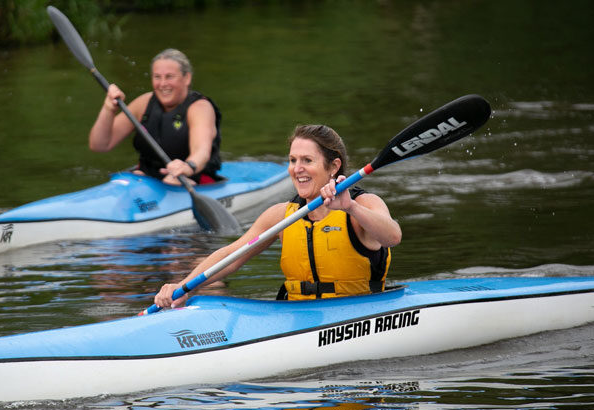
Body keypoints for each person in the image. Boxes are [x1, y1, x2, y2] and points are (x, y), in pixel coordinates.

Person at [154, 124, 402, 308]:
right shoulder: (281, 216)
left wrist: (350, 207)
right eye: (293, 160)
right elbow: (232, 255)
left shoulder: (363, 204)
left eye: (307, 160)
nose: (297, 169)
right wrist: (184, 287)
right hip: (297, 316)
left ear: (334, 166)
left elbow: (392, 236)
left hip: (359, 312)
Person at [88, 48, 222, 185]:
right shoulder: (143, 103)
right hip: (147, 177)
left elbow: (202, 151)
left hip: (191, 179)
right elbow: (99, 145)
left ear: (186, 78)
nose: (163, 84)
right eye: (157, 77)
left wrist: (188, 167)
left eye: (169, 76)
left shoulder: (200, 108)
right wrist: (108, 109)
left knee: (172, 181)